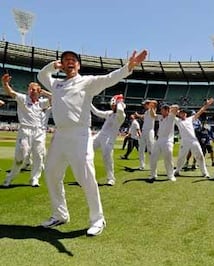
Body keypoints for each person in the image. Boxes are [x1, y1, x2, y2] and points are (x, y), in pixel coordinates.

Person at [37, 49, 147, 236]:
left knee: (86, 177)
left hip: (80, 136)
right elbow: (41, 75)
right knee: (51, 174)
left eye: (73, 60)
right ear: (61, 65)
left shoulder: (86, 82)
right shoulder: (55, 84)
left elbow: (109, 78)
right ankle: (60, 214)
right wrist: (51, 66)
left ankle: (97, 219)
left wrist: (129, 67)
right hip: (60, 136)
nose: (69, 62)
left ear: (78, 65)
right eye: (65, 60)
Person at [1, 73, 51, 187]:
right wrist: (5, 83)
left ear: (38, 91)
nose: (32, 91)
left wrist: (44, 92)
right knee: (21, 157)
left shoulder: (42, 102)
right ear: (28, 90)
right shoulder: (23, 98)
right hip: (25, 130)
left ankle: (34, 179)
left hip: (39, 132)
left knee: (38, 156)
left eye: (35, 90)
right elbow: (11, 92)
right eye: (30, 89)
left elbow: (55, 98)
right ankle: (9, 178)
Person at [90, 94, 126, 186]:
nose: (111, 105)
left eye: (113, 104)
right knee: (86, 150)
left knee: (107, 158)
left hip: (108, 139)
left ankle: (111, 179)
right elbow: (96, 112)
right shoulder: (109, 113)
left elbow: (120, 110)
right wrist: (89, 103)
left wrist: (119, 101)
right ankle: (88, 176)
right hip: (100, 135)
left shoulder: (121, 116)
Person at [174, 98, 214, 178]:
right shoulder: (177, 120)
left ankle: (205, 173)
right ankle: (177, 171)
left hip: (193, 141)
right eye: (182, 113)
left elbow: (201, 111)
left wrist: (207, 105)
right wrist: (176, 109)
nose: (183, 114)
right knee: (181, 157)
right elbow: (171, 113)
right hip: (184, 142)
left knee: (200, 156)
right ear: (179, 114)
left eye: (184, 113)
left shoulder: (190, 119)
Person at [148, 104, 178, 182]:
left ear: (166, 111)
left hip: (168, 140)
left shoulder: (171, 116)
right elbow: (153, 115)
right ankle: (153, 175)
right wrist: (151, 108)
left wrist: (169, 108)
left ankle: (171, 175)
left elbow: (176, 107)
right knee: (153, 157)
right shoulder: (161, 117)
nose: (160, 111)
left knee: (168, 159)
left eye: (162, 110)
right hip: (159, 140)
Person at [135, 99, 157, 170]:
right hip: (144, 131)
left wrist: (150, 104)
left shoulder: (152, 109)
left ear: (149, 104)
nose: (144, 106)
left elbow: (155, 103)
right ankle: (142, 165)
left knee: (151, 149)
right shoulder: (146, 111)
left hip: (150, 131)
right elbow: (143, 116)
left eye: (145, 104)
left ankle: (152, 165)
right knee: (141, 149)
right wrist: (138, 115)